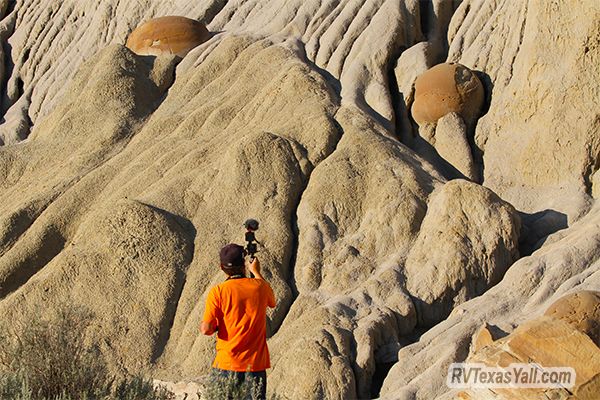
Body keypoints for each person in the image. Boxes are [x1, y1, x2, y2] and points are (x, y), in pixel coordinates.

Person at [201, 243, 276, 399]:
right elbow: (272, 302)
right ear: (244, 265)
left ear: (221, 267)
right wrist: (256, 272)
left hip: (226, 364)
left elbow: (206, 329)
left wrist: (218, 326)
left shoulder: (218, 292)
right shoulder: (260, 287)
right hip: (254, 366)